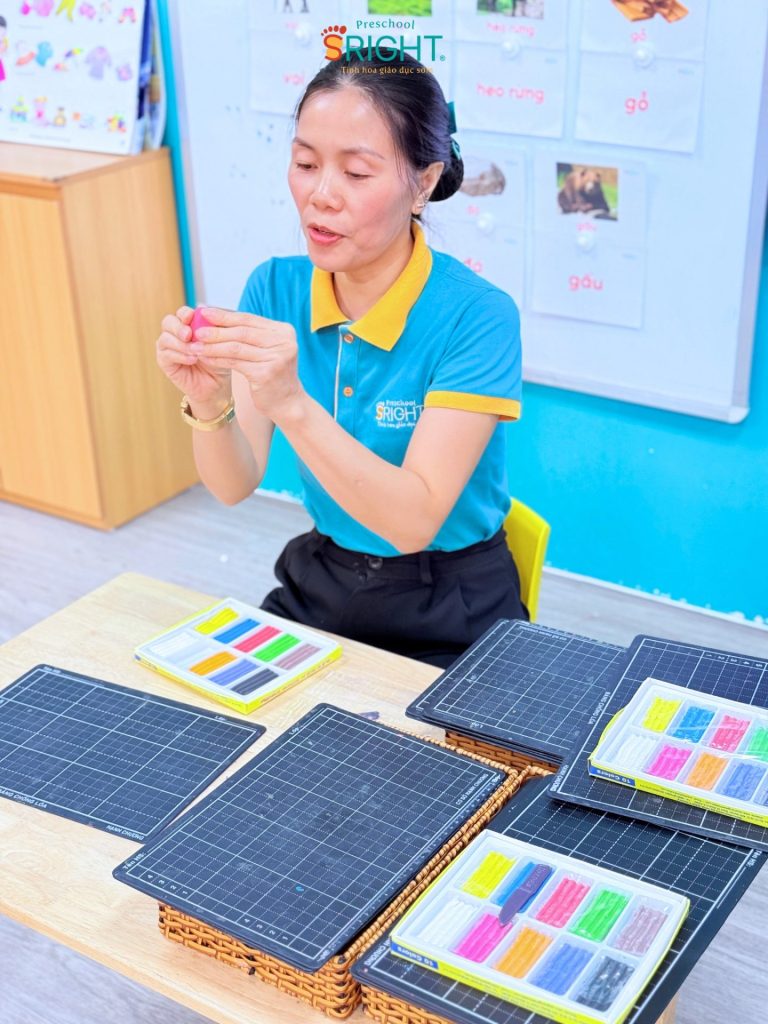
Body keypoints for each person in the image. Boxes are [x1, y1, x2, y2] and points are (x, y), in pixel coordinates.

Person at [156, 50, 527, 669]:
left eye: (356, 173)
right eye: (305, 164)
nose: (320, 196)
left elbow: (412, 522)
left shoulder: (478, 315)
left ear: (424, 183)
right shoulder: (274, 288)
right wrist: (210, 400)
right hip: (324, 578)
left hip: (454, 599)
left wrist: (291, 404)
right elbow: (232, 485)